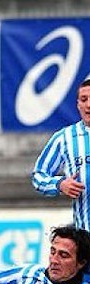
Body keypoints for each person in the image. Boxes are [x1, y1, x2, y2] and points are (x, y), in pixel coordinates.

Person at [31, 78, 90, 229]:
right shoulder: (65, 137)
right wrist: (59, 184)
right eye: (84, 99)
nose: (89, 105)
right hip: (85, 234)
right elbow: (39, 175)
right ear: (78, 104)